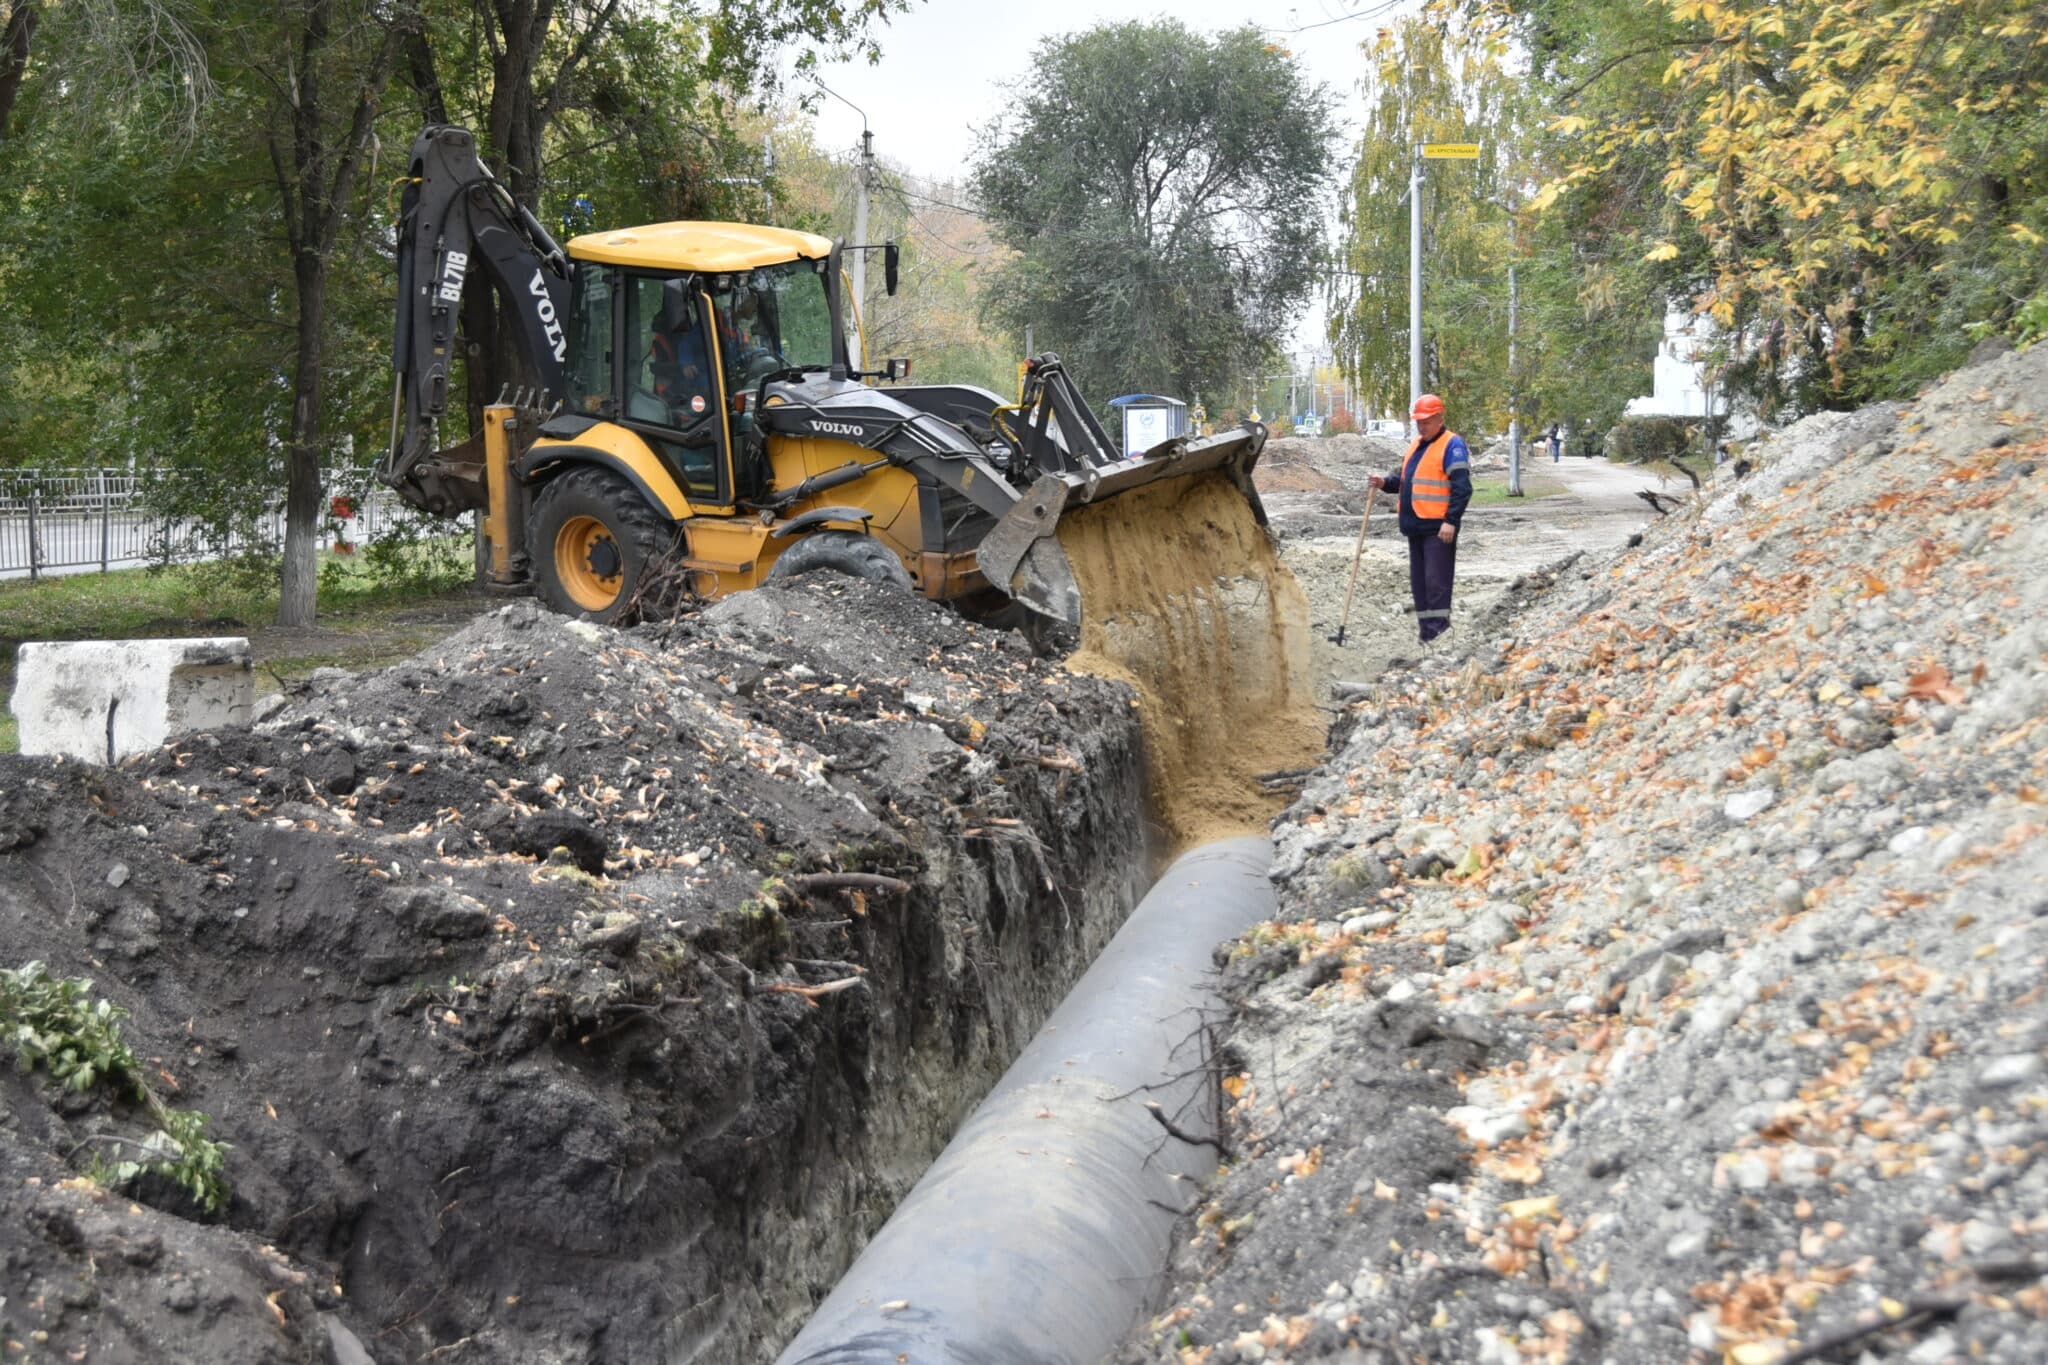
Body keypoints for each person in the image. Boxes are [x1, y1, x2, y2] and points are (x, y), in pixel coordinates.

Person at [1376, 393, 1472, 644]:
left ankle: (1438, 635)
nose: (1421, 426)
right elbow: (1407, 482)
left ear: (1440, 418)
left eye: (1426, 421)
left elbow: (1462, 488)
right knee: (1420, 585)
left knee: (1436, 584)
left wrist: (1451, 521)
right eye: (1419, 421)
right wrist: (1385, 483)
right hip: (1415, 527)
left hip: (1438, 529)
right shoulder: (1418, 445)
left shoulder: (1452, 445)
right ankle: (1426, 635)